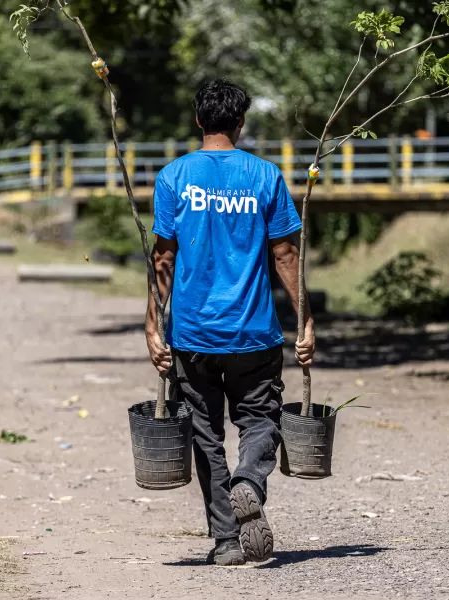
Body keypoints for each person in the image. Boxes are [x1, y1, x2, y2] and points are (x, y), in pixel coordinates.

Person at [145, 79, 315, 567]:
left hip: (193, 335)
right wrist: (305, 320)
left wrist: (154, 326)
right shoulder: (265, 176)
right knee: (260, 419)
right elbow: (285, 254)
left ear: (199, 121)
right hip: (254, 332)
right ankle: (249, 481)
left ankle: (224, 542)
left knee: (204, 434)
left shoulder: (174, 177)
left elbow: (163, 259)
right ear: (240, 123)